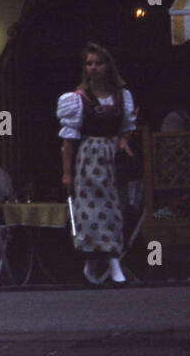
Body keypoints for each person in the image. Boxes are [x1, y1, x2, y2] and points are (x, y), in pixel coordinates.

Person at [57, 42, 137, 286]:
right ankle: (110, 263)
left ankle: (96, 264)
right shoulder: (78, 99)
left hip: (112, 157)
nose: (93, 68)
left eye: (98, 63)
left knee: (114, 209)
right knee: (92, 212)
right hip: (90, 158)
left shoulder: (122, 97)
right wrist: (67, 173)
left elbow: (127, 128)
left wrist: (123, 141)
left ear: (108, 66)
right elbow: (68, 139)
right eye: (89, 63)